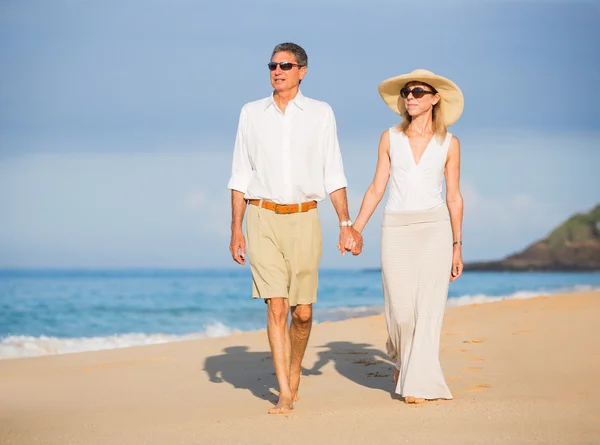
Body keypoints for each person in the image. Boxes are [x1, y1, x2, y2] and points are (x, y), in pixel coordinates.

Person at [227, 42, 362, 414]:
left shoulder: (320, 114)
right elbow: (240, 175)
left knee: (302, 313)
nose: (277, 70)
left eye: (286, 65)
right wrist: (236, 229)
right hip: (261, 216)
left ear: (302, 71)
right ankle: (284, 391)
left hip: (305, 216)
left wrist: (345, 223)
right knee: (277, 306)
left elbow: (333, 173)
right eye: (273, 64)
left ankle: (294, 369)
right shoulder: (251, 113)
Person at [351, 69, 464, 403]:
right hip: (396, 228)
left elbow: (454, 197)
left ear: (434, 98)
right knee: (400, 311)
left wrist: (457, 246)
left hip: (435, 230)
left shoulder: (450, 143)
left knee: (428, 310)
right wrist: (356, 229)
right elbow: (375, 188)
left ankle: (418, 383)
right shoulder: (390, 138)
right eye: (406, 93)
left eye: (417, 91)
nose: (410, 97)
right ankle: (401, 356)